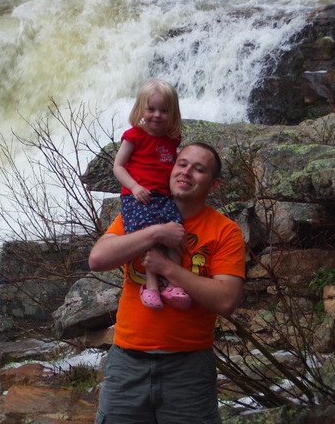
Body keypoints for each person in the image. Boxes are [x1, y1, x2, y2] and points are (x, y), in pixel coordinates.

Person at [89, 142, 247, 424]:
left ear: (214, 184)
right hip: (127, 363)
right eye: (182, 164)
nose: (186, 172)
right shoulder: (138, 212)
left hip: (188, 368)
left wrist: (167, 269)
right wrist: (157, 232)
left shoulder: (225, 231)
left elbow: (225, 301)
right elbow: (98, 259)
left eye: (199, 169)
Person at [113, 79, 190, 310]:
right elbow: (118, 166)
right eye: (151, 109)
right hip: (138, 197)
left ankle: (173, 285)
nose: (157, 115)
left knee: (175, 238)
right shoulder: (134, 135)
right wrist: (135, 187)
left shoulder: (172, 139)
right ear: (141, 110)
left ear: (173, 113)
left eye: (164, 110)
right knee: (151, 241)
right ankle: (152, 286)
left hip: (164, 198)